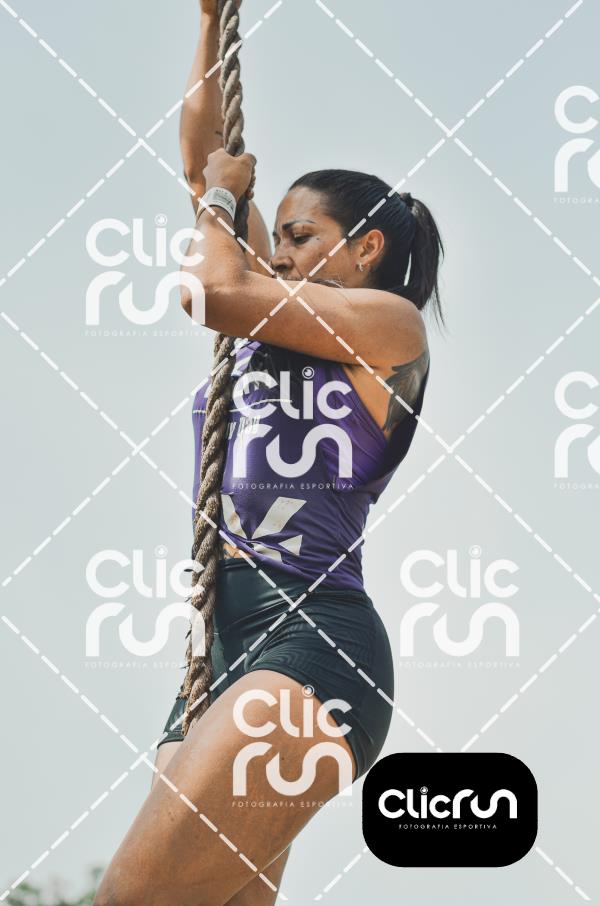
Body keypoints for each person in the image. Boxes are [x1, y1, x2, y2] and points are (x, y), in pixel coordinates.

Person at [94, 1, 443, 904]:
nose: (277, 253)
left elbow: (209, 290)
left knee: (131, 899)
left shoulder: (389, 328)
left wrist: (222, 201)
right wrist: (211, 21)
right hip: (218, 652)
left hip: (315, 638)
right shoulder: (273, 303)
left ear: (366, 248)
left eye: (299, 236)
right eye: (273, 236)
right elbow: (202, 155)